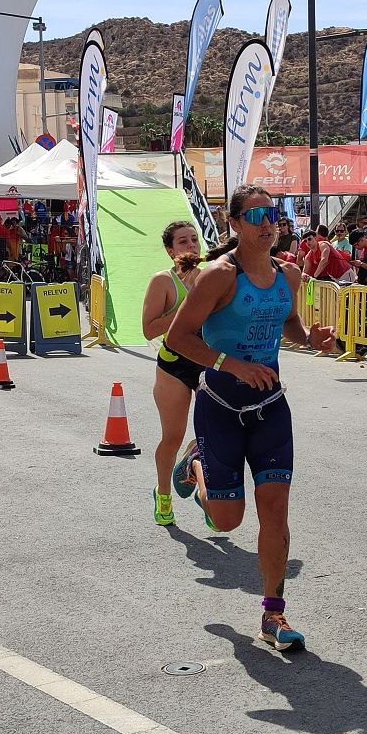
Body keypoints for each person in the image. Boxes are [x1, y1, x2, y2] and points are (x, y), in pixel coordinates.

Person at [166, 184, 335, 652]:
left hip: (269, 408)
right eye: (257, 214)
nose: (268, 222)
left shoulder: (290, 274)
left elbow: (290, 325)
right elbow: (179, 337)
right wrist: (230, 363)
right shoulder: (219, 276)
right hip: (220, 408)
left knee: (275, 511)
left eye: (273, 213)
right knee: (225, 523)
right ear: (235, 224)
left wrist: (310, 337)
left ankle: (273, 614)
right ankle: (195, 463)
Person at [141, 221, 206, 526]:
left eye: (194, 239)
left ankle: (208, 493)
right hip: (174, 365)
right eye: (183, 241)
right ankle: (163, 492)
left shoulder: (213, 276)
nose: (191, 245)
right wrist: (188, 304)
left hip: (208, 361)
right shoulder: (163, 282)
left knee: (220, 434)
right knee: (173, 436)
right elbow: (149, 329)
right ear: (170, 251)